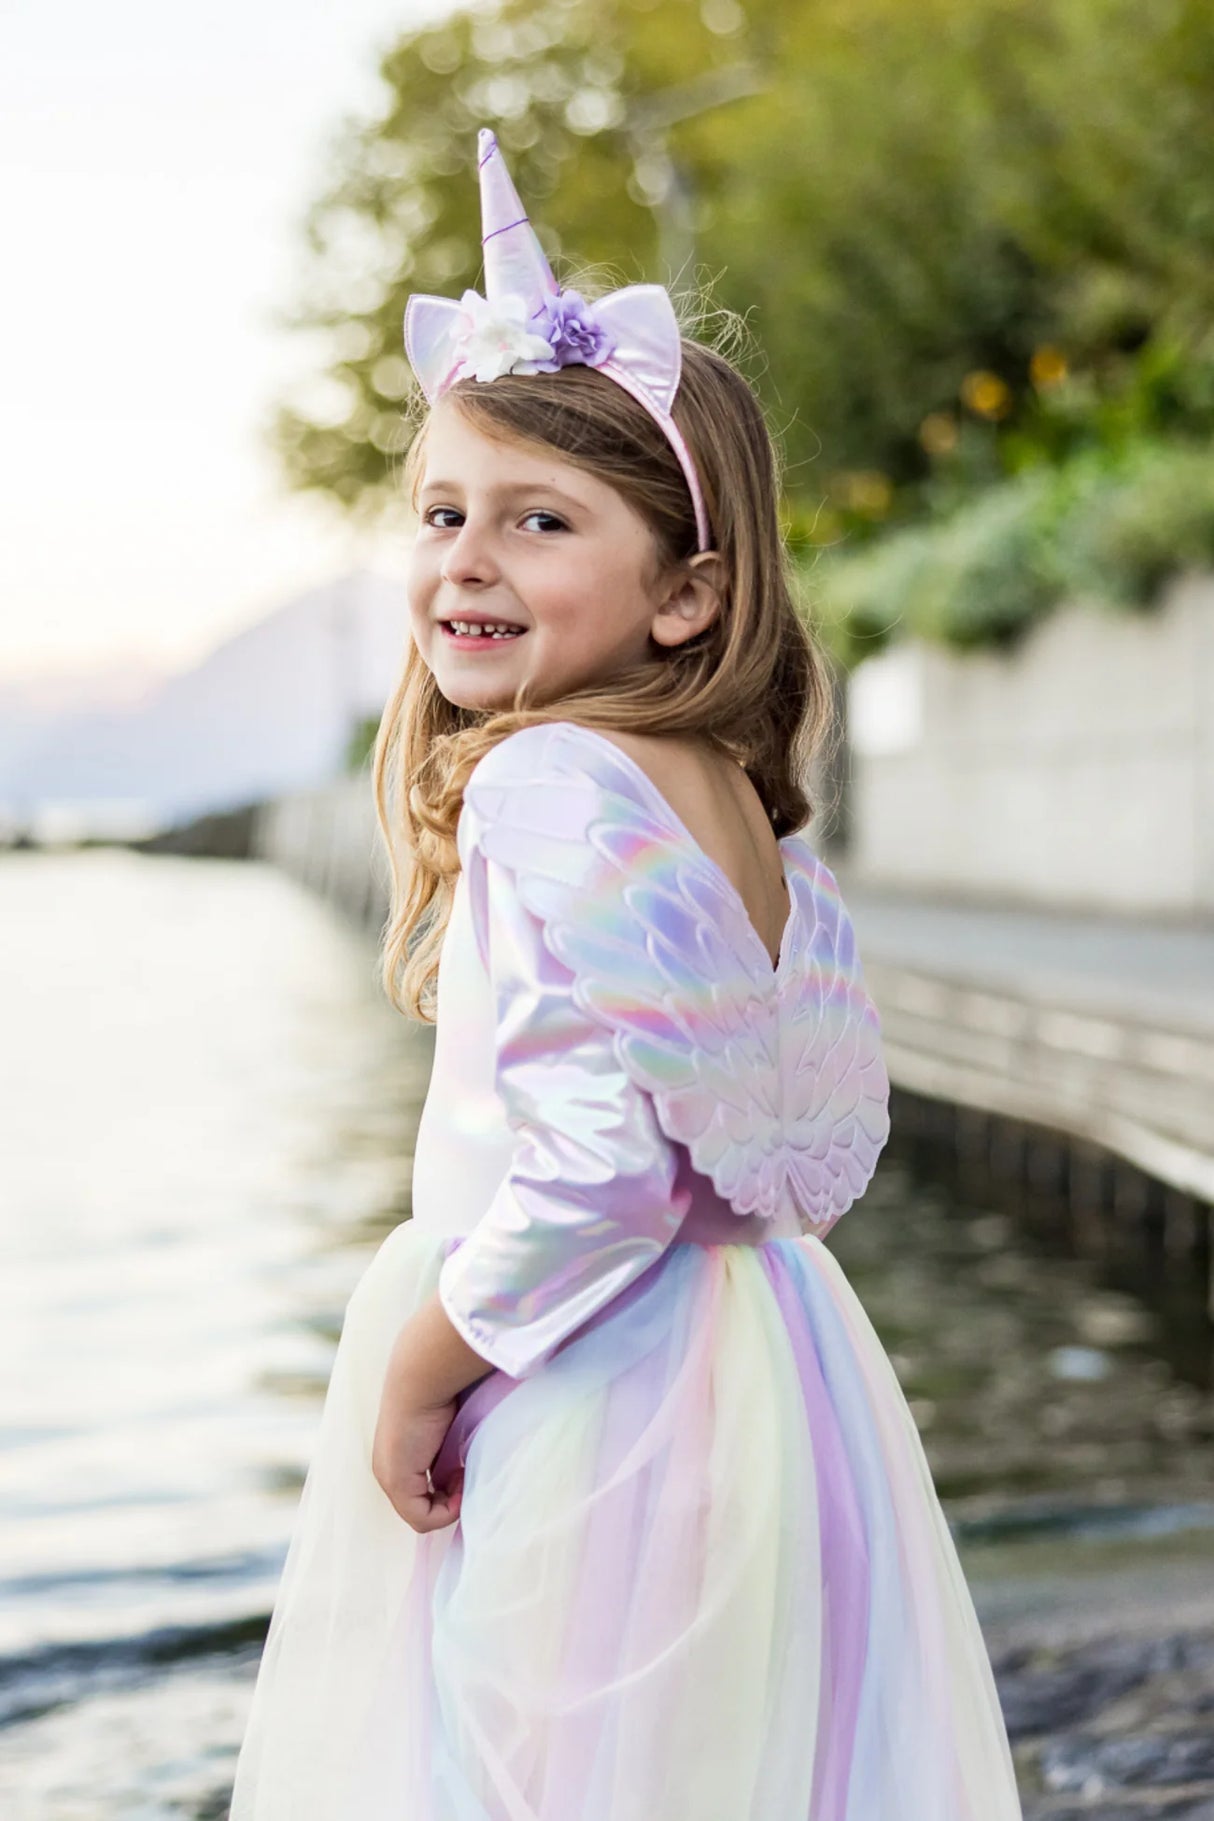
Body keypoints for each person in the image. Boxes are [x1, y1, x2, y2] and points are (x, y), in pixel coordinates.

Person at [227, 127, 1023, 1820]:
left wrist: (427, 1355)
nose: (467, 557)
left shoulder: (543, 780)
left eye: (539, 518)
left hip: (593, 1381)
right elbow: (778, 1135)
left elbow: (596, 1173)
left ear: (686, 594)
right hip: (765, 1373)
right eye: (443, 510)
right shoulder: (736, 799)